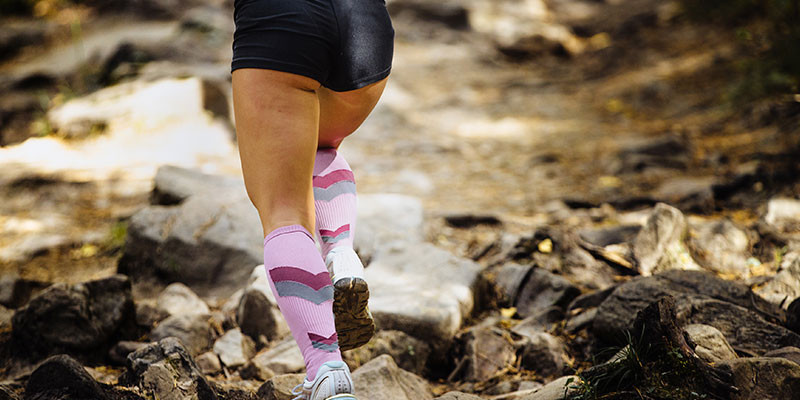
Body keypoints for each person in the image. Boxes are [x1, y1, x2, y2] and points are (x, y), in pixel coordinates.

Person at [230, 0, 394, 398]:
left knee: (283, 212)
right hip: (365, 26)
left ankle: (326, 370)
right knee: (318, 142)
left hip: (282, 20)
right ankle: (340, 251)